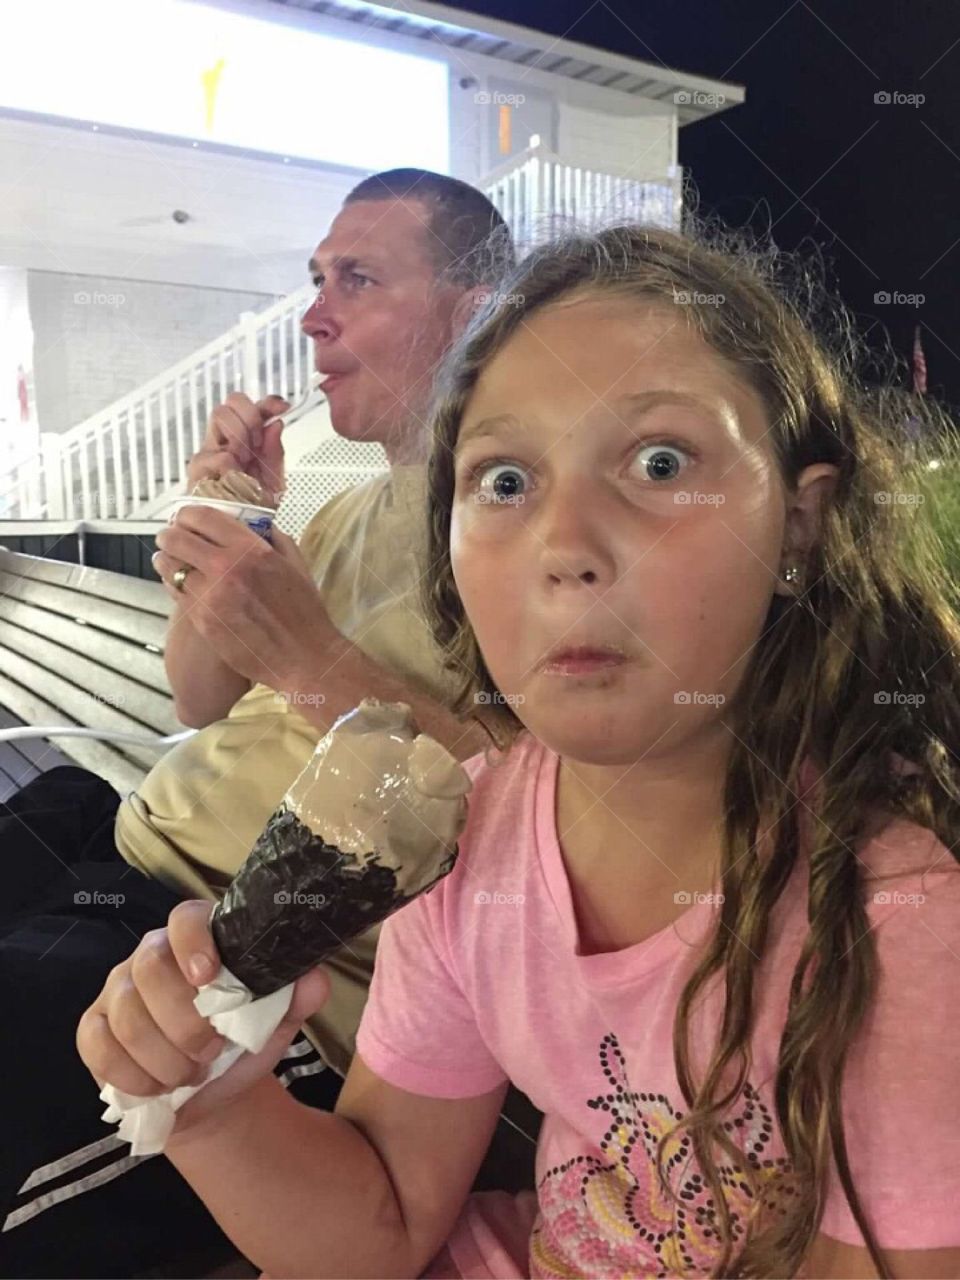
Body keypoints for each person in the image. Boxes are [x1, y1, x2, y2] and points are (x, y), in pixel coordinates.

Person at [79, 220, 960, 1279]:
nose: (566, 546)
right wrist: (213, 1105)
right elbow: (383, 1223)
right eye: (503, 481)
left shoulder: (899, 917)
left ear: (801, 526)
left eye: (659, 461)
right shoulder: (471, 838)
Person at [1, 169, 536, 1279]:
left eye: (359, 278)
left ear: (474, 312)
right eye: (314, 279)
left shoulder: (531, 534)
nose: (313, 313)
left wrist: (309, 656)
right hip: (116, 834)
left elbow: (536, 819)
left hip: (248, 960)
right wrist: (227, 513)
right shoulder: (342, 513)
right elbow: (198, 698)